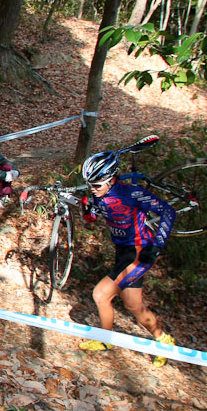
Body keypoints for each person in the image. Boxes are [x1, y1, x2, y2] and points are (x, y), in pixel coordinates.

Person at [78, 151, 176, 367]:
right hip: (122, 252)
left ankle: (105, 340)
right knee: (135, 307)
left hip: (141, 252)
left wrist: (157, 246)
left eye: (97, 184)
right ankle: (164, 340)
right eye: (90, 185)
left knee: (100, 294)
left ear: (112, 178)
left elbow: (168, 212)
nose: (93, 189)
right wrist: (88, 212)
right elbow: (94, 217)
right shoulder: (98, 193)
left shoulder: (132, 193)